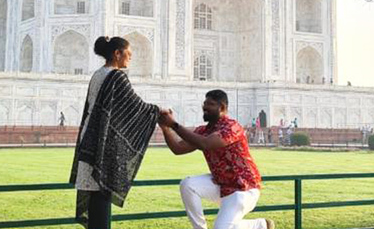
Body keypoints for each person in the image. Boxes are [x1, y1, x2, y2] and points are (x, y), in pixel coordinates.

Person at [69, 36, 159, 229]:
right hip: (102, 143)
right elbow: (136, 107)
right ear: (117, 53)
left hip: (88, 140)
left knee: (95, 201)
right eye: (128, 54)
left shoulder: (98, 74)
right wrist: (159, 112)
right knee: (101, 200)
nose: (130, 58)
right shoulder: (117, 76)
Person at [158, 90, 274, 229]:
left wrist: (174, 125)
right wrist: (165, 129)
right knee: (188, 185)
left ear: (223, 108)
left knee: (221, 228)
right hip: (222, 185)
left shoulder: (232, 127)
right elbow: (178, 149)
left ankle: (260, 225)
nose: (205, 107)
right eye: (205, 103)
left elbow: (205, 143)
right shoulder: (204, 130)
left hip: (243, 188)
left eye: (210, 104)